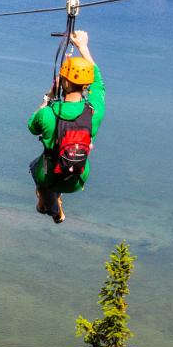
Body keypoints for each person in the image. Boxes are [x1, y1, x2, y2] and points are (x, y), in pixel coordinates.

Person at [27, 30, 105, 224]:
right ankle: (50, 202)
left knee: (36, 167)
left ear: (63, 82)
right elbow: (99, 83)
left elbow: (32, 126)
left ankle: (52, 207)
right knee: (58, 160)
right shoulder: (94, 111)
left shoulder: (49, 113)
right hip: (78, 177)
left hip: (52, 176)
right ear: (86, 85)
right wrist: (83, 47)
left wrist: (48, 97)